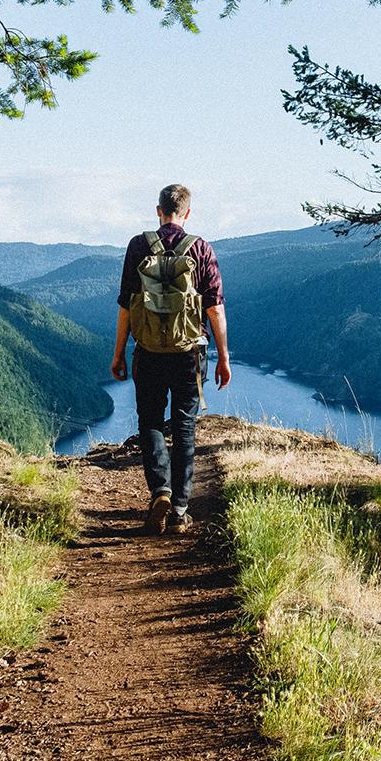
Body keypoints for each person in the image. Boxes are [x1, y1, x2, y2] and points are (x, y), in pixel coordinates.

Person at [111, 184, 231, 535]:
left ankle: (159, 490)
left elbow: (125, 305)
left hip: (147, 350)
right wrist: (223, 356)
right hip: (189, 353)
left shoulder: (137, 245)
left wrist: (119, 353)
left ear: (158, 210)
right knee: (184, 426)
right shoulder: (200, 248)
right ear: (187, 213)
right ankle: (179, 509)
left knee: (149, 421)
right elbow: (215, 309)